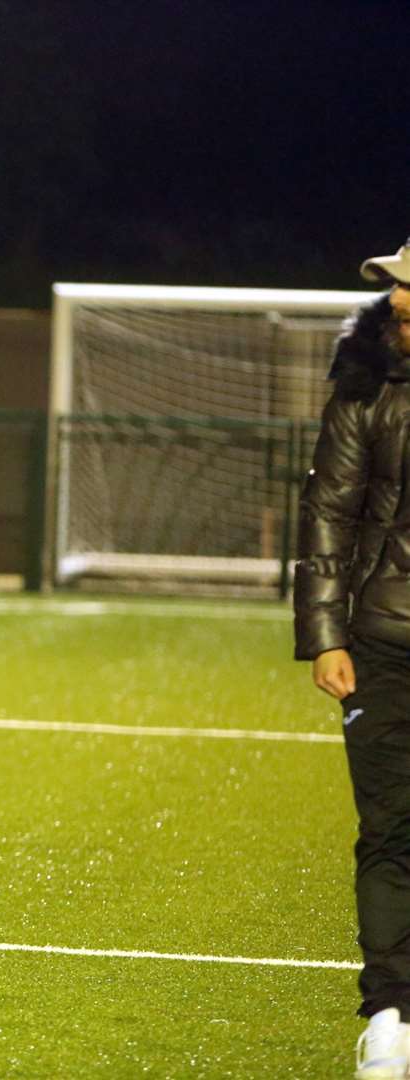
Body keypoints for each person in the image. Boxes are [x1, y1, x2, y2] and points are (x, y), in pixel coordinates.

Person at [296, 235, 410, 1079]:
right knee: (391, 833)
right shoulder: (365, 384)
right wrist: (325, 632)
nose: (399, 301)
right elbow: (329, 510)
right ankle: (390, 1019)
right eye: (395, 289)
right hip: (382, 641)